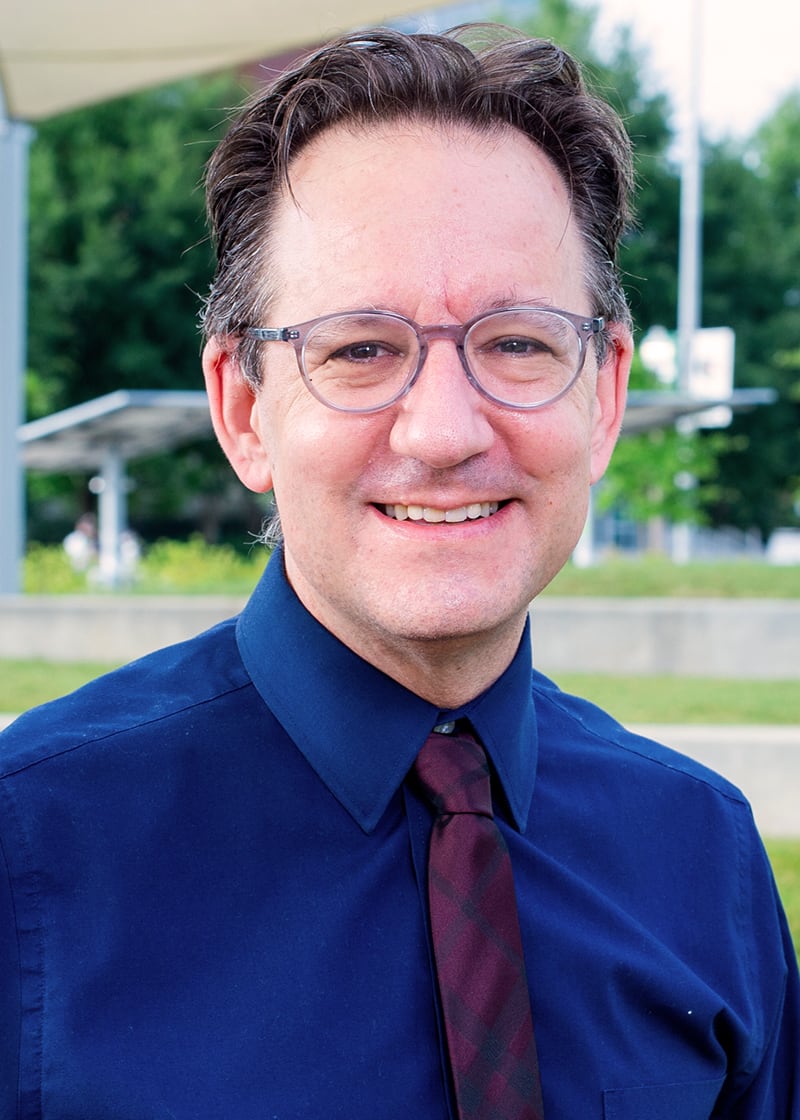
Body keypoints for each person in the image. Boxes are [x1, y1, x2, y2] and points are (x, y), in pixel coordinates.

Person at [0, 26, 797, 1119]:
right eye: (359, 348)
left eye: (516, 341)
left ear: (602, 395)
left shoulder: (700, 856)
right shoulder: (30, 850)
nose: (440, 432)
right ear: (242, 408)